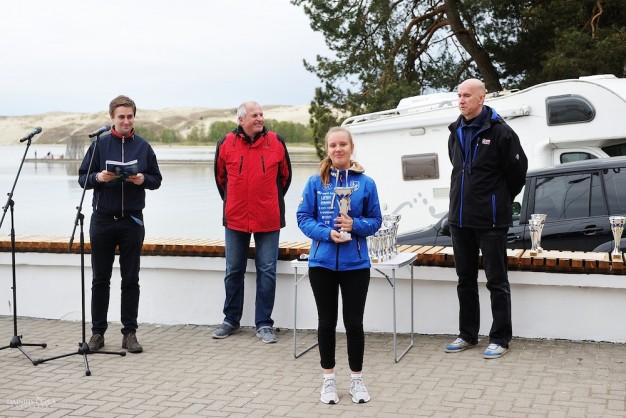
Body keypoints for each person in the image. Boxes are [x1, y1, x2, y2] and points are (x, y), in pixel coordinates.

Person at [296, 126, 382, 404]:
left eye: (343, 144)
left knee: (354, 323)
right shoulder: (315, 182)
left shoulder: (366, 183)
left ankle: (357, 380)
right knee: (326, 322)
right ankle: (329, 381)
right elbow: (303, 217)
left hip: (356, 264)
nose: (338, 149)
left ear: (351, 147)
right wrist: (326, 233)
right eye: (333, 145)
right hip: (321, 263)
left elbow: (376, 221)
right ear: (327, 149)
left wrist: (353, 224)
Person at [445, 78, 528, 359]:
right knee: (465, 280)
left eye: (467, 95)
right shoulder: (455, 130)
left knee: (496, 281)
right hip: (459, 220)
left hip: (491, 221)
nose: (461, 100)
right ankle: (467, 334)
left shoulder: (502, 132)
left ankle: (500, 338)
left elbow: (517, 174)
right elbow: (458, 168)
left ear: (482, 98)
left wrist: (498, 201)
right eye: (459, 95)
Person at [78, 95, 162, 354]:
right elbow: (82, 179)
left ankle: (130, 333)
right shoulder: (99, 145)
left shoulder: (143, 146)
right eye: (121, 117)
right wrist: (98, 177)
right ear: (112, 118)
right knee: (100, 279)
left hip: (132, 222)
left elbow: (156, 179)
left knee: (131, 279)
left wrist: (143, 179)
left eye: (130, 116)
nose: (126, 121)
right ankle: (97, 333)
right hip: (103, 221)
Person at [212, 101, 292, 344]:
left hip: (268, 218)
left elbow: (285, 178)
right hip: (235, 218)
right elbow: (221, 179)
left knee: (267, 271)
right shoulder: (226, 143)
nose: (259, 118)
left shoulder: (276, 142)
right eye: (254, 115)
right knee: (233, 270)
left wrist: (266, 199)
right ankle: (230, 320)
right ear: (241, 120)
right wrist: (235, 201)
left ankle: (264, 323)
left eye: (261, 114)